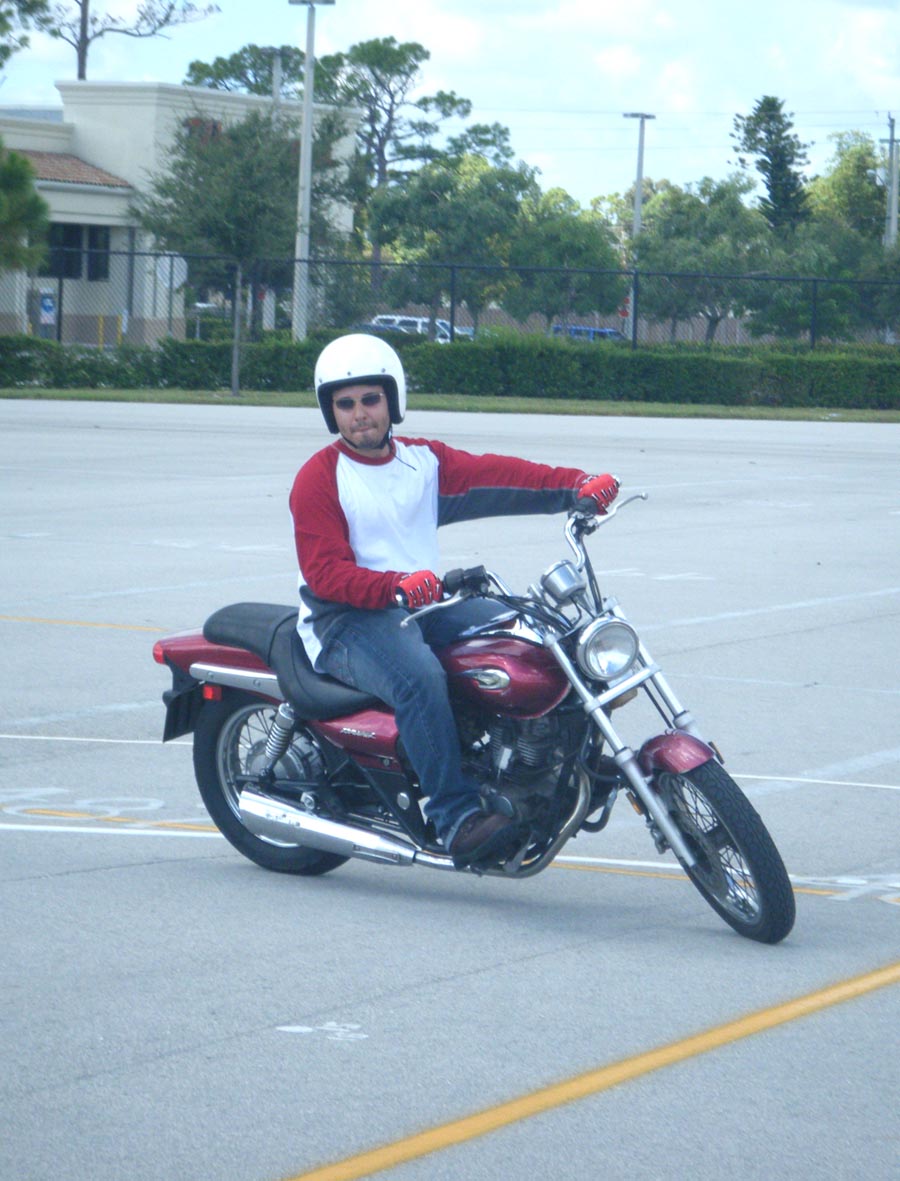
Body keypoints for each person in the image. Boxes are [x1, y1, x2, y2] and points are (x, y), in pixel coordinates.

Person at [289, 333, 618, 870]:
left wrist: (576, 486)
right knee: (418, 677)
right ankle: (455, 817)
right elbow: (325, 574)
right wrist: (393, 586)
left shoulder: (422, 462)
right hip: (344, 620)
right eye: (345, 404)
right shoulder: (320, 478)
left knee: (535, 632)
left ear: (392, 401)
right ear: (331, 412)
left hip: (420, 604)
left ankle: (565, 762)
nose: (360, 414)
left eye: (370, 400)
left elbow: (501, 476)